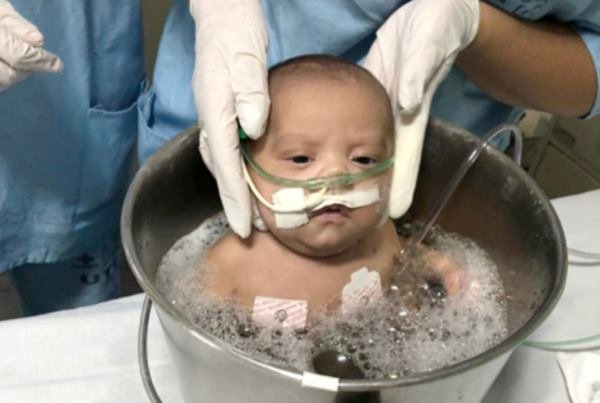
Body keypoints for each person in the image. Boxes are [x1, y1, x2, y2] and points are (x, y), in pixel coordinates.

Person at [201, 55, 463, 327]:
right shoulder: (233, 261)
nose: (337, 176)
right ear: (243, 169)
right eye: (301, 158)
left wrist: (442, 266)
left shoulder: (380, 238)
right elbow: (191, 321)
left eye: (363, 159)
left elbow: (409, 255)